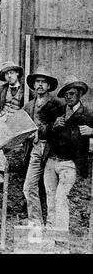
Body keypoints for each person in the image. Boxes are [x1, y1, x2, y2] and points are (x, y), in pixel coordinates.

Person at [44, 76, 93, 231]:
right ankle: (50, 236)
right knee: (50, 198)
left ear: (79, 94)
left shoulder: (88, 114)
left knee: (61, 198)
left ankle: (61, 236)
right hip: (51, 161)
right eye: (66, 94)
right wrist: (53, 126)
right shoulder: (56, 111)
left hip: (69, 164)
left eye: (71, 93)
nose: (68, 97)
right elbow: (41, 131)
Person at [22, 66, 63, 227]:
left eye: (43, 82)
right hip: (35, 149)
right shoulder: (29, 105)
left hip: (52, 151)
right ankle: (35, 223)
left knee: (50, 189)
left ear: (48, 86)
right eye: (37, 82)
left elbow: (60, 129)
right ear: (33, 85)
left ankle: (52, 225)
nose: (40, 85)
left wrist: (42, 131)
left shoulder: (56, 104)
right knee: (29, 187)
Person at [0, 61, 25, 185]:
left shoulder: (25, 90)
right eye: (6, 74)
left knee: (3, 144)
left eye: (11, 73)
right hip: (2, 120)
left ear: (17, 74)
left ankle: (0, 172)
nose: (9, 76)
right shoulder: (2, 89)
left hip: (17, 122)